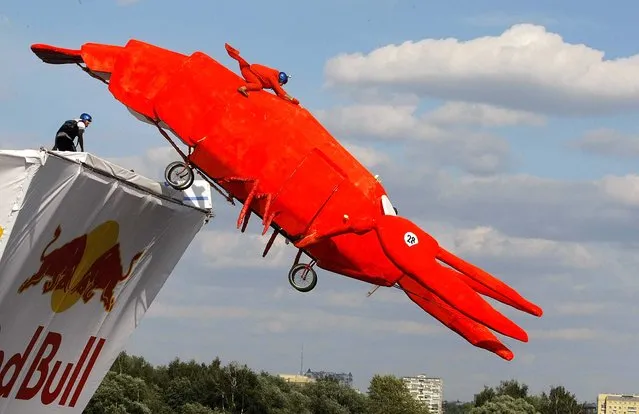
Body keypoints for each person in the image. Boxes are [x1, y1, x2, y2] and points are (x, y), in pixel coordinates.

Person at [225, 43, 300, 105]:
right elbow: (281, 91)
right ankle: (243, 88)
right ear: (280, 80)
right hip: (248, 72)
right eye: (282, 83)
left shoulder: (273, 76)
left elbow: (279, 93)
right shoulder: (273, 78)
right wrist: (292, 99)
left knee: (259, 84)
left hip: (250, 71)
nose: (281, 85)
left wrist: (289, 101)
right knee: (258, 85)